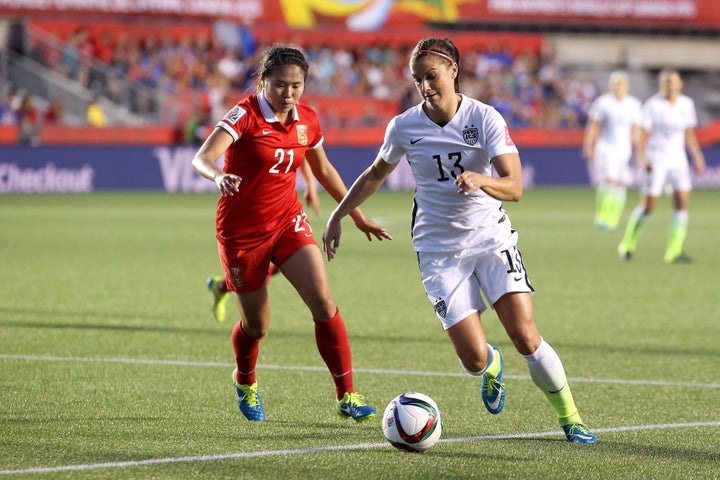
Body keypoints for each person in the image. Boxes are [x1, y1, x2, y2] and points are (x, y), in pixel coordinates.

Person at [322, 37, 598, 444]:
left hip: (490, 239)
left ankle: (571, 418)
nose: (425, 87)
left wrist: (481, 178)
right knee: (472, 359)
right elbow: (375, 174)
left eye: (431, 76)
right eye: (418, 80)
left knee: (525, 334)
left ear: (453, 70)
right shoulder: (403, 127)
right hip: (438, 252)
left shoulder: (485, 119)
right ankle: (491, 367)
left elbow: (515, 186)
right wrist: (338, 213)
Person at [191, 44, 390, 422]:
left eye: (296, 86)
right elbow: (202, 157)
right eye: (280, 85)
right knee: (257, 325)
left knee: (324, 303)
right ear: (264, 81)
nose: (288, 93)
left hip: (287, 221)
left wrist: (357, 215)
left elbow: (326, 170)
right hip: (241, 235)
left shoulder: (307, 120)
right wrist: (218, 176)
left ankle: (347, 394)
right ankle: (245, 381)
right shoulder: (245, 115)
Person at [207, 159, 321, 322]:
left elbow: (300, 151)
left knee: (281, 261)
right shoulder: (246, 136)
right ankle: (247, 320)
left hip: (280, 211)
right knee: (263, 273)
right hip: (248, 214)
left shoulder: (294, 134)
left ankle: (221, 287)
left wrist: (310, 183)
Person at [617, 69, 706, 263]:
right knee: (648, 206)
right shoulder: (653, 105)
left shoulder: (686, 104)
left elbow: (689, 133)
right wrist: (642, 157)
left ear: (680, 84)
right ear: (661, 84)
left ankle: (674, 251)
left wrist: (697, 156)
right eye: (666, 82)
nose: (670, 85)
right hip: (656, 160)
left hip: (678, 161)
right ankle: (627, 244)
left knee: (681, 204)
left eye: (673, 81)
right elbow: (640, 132)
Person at [582, 71, 642, 231]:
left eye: (621, 84)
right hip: (606, 148)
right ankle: (602, 217)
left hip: (625, 150)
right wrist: (589, 145)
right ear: (611, 85)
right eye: (616, 84)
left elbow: (636, 131)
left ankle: (614, 218)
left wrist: (639, 152)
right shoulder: (603, 103)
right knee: (609, 181)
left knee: (621, 184)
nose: (618, 87)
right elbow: (593, 126)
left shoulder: (633, 104)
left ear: (627, 86)